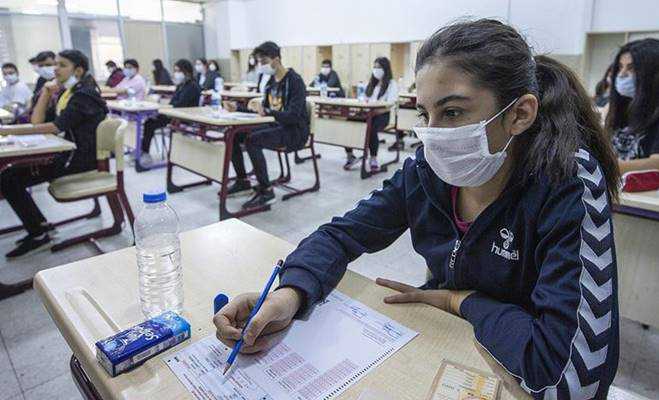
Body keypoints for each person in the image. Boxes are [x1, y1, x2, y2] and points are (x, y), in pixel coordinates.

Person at [213, 19, 620, 399]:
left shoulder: (567, 181)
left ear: (518, 114)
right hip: (446, 345)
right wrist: (289, 295)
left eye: (453, 112)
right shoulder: (426, 172)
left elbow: (569, 380)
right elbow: (342, 235)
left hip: (508, 372)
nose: (433, 135)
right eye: (425, 113)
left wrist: (459, 300)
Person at [0, 50, 108, 258]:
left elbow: (55, 127)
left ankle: (39, 232)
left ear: (78, 70)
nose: (55, 69)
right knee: (9, 175)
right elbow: (38, 122)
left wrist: (8, 130)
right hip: (67, 154)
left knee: (8, 177)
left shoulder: (85, 95)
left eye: (62, 65)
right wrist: (46, 93)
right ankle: (40, 228)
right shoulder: (68, 93)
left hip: (79, 160)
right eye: (55, 64)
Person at [223, 41, 309, 209]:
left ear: (276, 59)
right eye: (259, 62)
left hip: (295, 131)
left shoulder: (295, 81)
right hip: (276, 126)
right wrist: (238, 108)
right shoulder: (271, 83)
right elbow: (263, 111)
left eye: (263, 62)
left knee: (253, 140)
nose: (261, 66)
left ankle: (266, 190)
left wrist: (269, 113)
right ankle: (243, 181)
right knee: (233, 135)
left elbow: (292, 116)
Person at [607, 38, 659, 174]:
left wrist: (601, 167)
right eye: (620, 67)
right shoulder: (622, 106)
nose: (622, 74)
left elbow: (657, 163)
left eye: (631, 68)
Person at [140, 59, 201, 164]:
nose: (176, 74)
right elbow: (173, 103)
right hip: (174, 114)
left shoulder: (192, 86)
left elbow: (180, 104)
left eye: (178, 71)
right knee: (149, 121)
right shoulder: (181, 85)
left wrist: (163, 110)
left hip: (184, 117)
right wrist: (162, 110)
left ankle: (144, 152)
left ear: (187, 71)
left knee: (150, 124)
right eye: (175, 71)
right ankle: (142, 152)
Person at [344, 57, 398, 171]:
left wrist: (375, 111)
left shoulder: (392, 84)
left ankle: (373, 159)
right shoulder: (372, 83)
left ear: (385, 69)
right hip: (367, 113)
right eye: (374, 67)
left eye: (379, 67)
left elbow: (391, 104)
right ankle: (350, 156)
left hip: (382, 115)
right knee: (349, 122)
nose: (376, 70)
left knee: (371, 128)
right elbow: (364, 99)